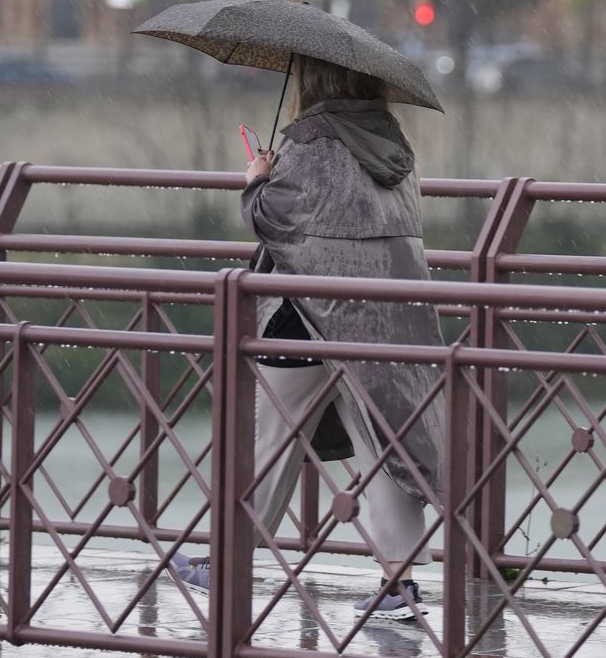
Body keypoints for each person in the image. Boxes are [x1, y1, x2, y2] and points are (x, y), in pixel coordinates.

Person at [171, 55, 446, 621]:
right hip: (389, 313)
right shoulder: (394, 144)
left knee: (268, 437)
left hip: (310, 312)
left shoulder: (311, 139)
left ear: (312, 83)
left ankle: (227, 563)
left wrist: (257, 182)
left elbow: (279, 219)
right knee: (382, 446)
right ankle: (399, 584)